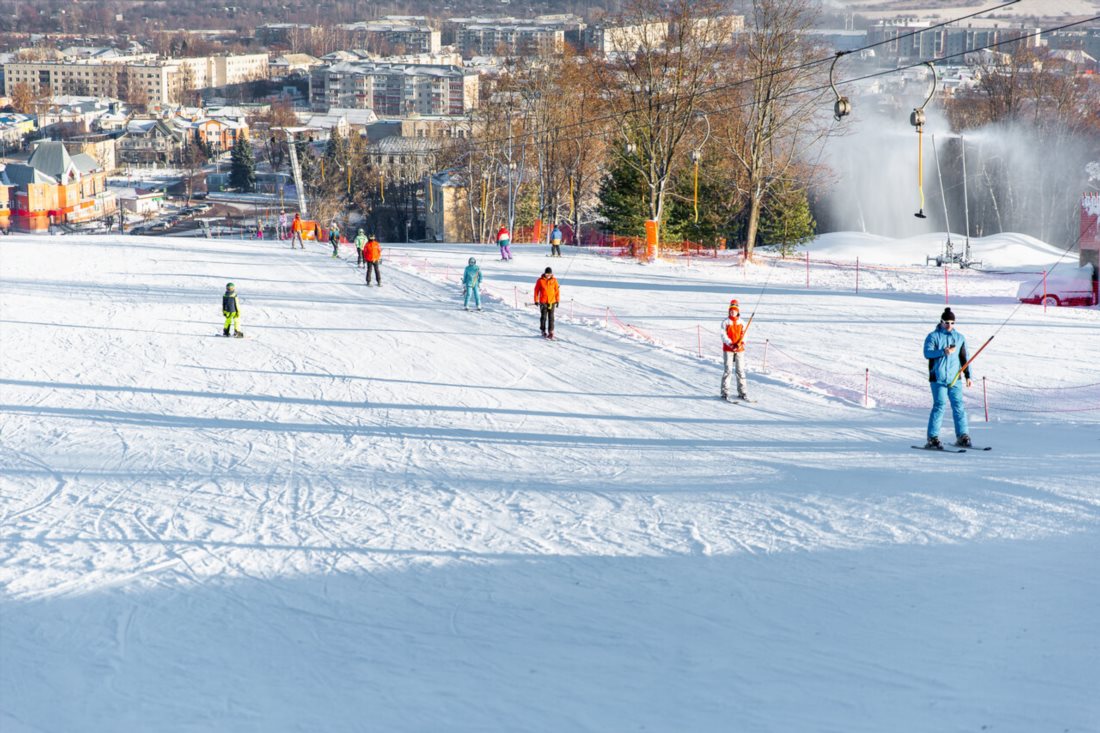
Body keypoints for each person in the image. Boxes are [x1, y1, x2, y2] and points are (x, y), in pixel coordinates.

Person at [923, 307, 972, 448]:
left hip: (954, 379)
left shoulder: (960, 338)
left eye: (952, 322)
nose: (949, 325)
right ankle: (932, 438)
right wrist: (943, 352)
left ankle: (963, 436)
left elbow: (964, 358)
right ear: (941, 321)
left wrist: (968, 375)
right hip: (938, 379)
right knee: (939, 406)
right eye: (946, 322)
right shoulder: (933, 336)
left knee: (959, 407)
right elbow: (927, 353)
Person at [721, 299, 750, 401]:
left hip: (740, 350)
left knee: (740, 371)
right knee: (728, 371)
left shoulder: (742, 322)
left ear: (738, 311)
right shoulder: (725, 322)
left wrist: (741, 343)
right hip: (728, 349)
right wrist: (730, 344)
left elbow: (745, 335)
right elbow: (723, 335)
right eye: (731, 310)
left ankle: (742, 392)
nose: (732, 312)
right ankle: (725, 392)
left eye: (734, 310)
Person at [533, 267, 560, 338]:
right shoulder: (540, 280)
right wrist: (536, 300)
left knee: (551, 317)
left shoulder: (554, 280)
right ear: (544, 273)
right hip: (543, 302)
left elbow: (557, 291)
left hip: (552, 301)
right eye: (547, 273)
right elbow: (536, 291)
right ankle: (543, 330)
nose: (548, 275)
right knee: (543, 317)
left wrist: (557, 300)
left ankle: (551, 331)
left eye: (550, 274)